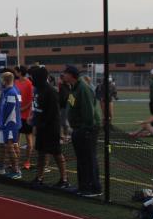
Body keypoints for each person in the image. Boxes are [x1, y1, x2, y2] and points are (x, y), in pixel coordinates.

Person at [63, 65, 101, 197]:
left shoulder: (83, 88)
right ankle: (83, 186)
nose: (63, 75)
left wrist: (85, 129)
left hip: (86, 129)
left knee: (88, 158)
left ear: (71, 75)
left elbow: (88, 111)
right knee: (82, 159)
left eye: (65, 73)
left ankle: (93, 188)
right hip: (78, 128)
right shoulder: (74, 87)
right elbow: (72, 105)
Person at [28, 66, 69, 188]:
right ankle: (39, 177)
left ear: (39, 77)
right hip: (41, 126)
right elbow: (37, 108)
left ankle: (64, 179)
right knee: (41, 152)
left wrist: (41, 124)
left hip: (51, 127)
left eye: (33, 77)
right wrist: (34, 122)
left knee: (56, 153)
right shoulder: (37, 89)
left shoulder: (50, 91)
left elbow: (53, 113)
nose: (31, 79)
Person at [0, 71, 22, 179]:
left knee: (10, 146)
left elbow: (10, 109)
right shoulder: (10, 91)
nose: (0, 82)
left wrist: (3, 123)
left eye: (1, 80)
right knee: (10, 146)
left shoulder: (11, 92)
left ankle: (16, 170)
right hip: (9, 123)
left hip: (10, 124)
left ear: (5, 81)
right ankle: (10, 167)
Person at [13, 66, 34, 169]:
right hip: (17, 116)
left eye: (16, 72)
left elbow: (31, 100)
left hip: (27, 116)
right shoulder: (15, 82)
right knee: (16, 139)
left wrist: (22, 109)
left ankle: (27, 161)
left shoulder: (29, 84)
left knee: (29, 139)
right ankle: (16, 160)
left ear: (20, 72)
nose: (15, 73)